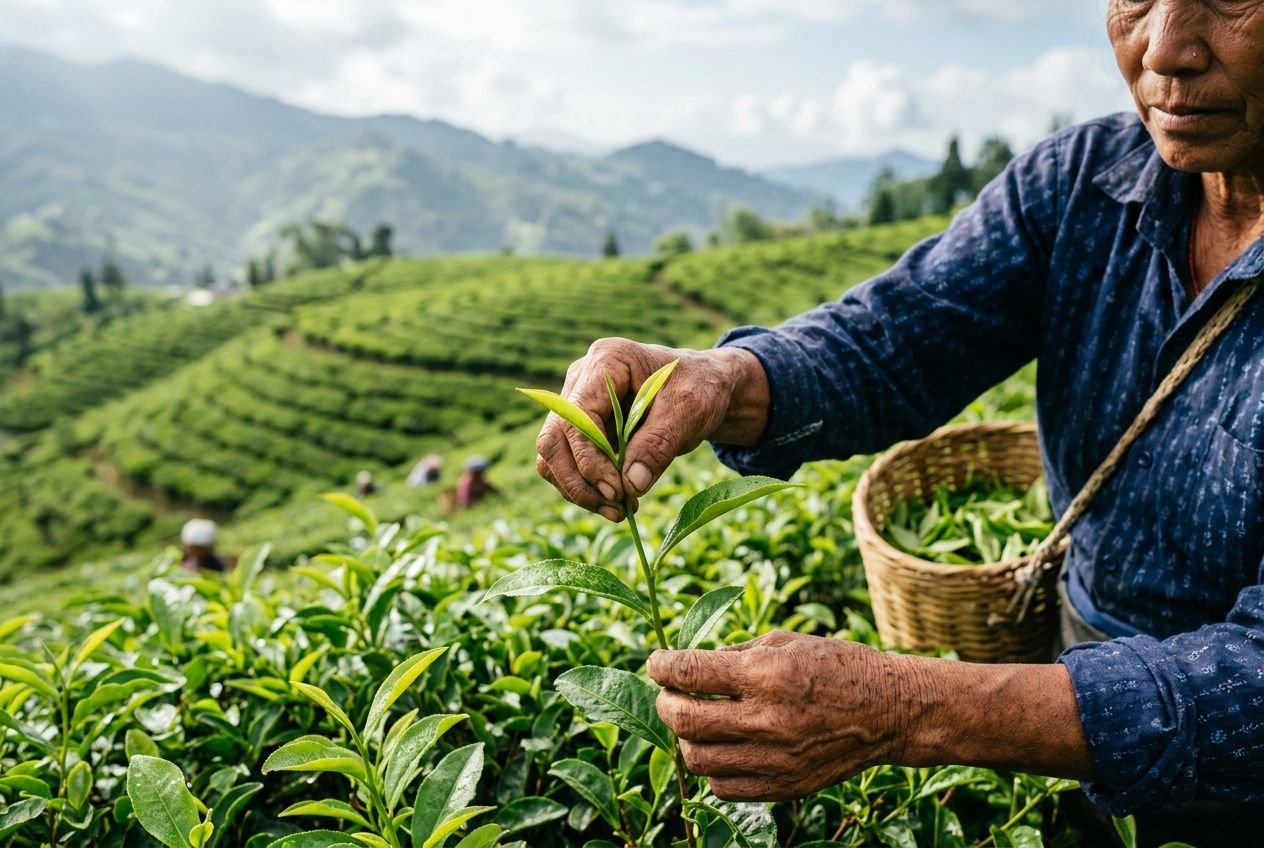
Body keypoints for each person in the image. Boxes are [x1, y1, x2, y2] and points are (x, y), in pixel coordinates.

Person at [534, 3, 1264, 845]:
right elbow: (899, 335)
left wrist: (903, 708)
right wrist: (723, 379)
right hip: (1078, 710)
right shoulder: (1083, 185)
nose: (1165, 48)